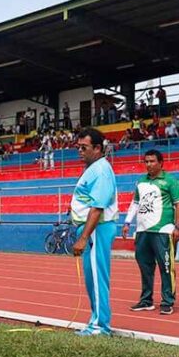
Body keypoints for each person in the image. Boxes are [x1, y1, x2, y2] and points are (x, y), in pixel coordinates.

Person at [122, 150, 179, 316]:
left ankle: (167, 301)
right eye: (146, 161)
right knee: (145, 266)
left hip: (163, 231)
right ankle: (146, 300)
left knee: (166, 267)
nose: (148, 164)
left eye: (152, 161)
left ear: (161, 162)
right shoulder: (141, 181)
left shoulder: (170, 181)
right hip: (142, 231)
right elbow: (135, 203)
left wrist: (178, 227)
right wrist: (127, 222)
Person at [71, 128, 118, 336]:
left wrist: (83, 238)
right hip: (91, 229)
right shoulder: (93, 169)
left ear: (98, 148)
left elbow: (97, 208)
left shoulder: (100, 170)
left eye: (84, 148)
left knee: (97, 278)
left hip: (97, 229)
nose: (80, 151)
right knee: (92, 278)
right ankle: (95, 321)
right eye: (78, 147)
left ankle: (100, 326)